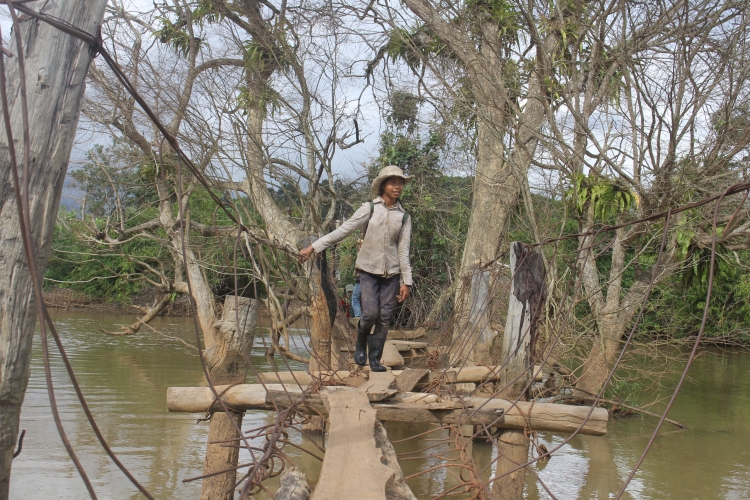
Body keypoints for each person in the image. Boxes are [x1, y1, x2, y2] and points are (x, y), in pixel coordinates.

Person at [299, 165, 413, 372]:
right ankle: (360, 343)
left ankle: (375, 359)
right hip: (368, 269)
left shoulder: (404, 217)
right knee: (370, 314)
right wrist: (313, 248)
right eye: (393, 182)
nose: (397, 187)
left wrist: (407, 281)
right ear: (383, 186)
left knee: (385, 316)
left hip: (392, 274)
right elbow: (343, 231)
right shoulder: (370, 208)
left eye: (400, 183)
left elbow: (403, 251)